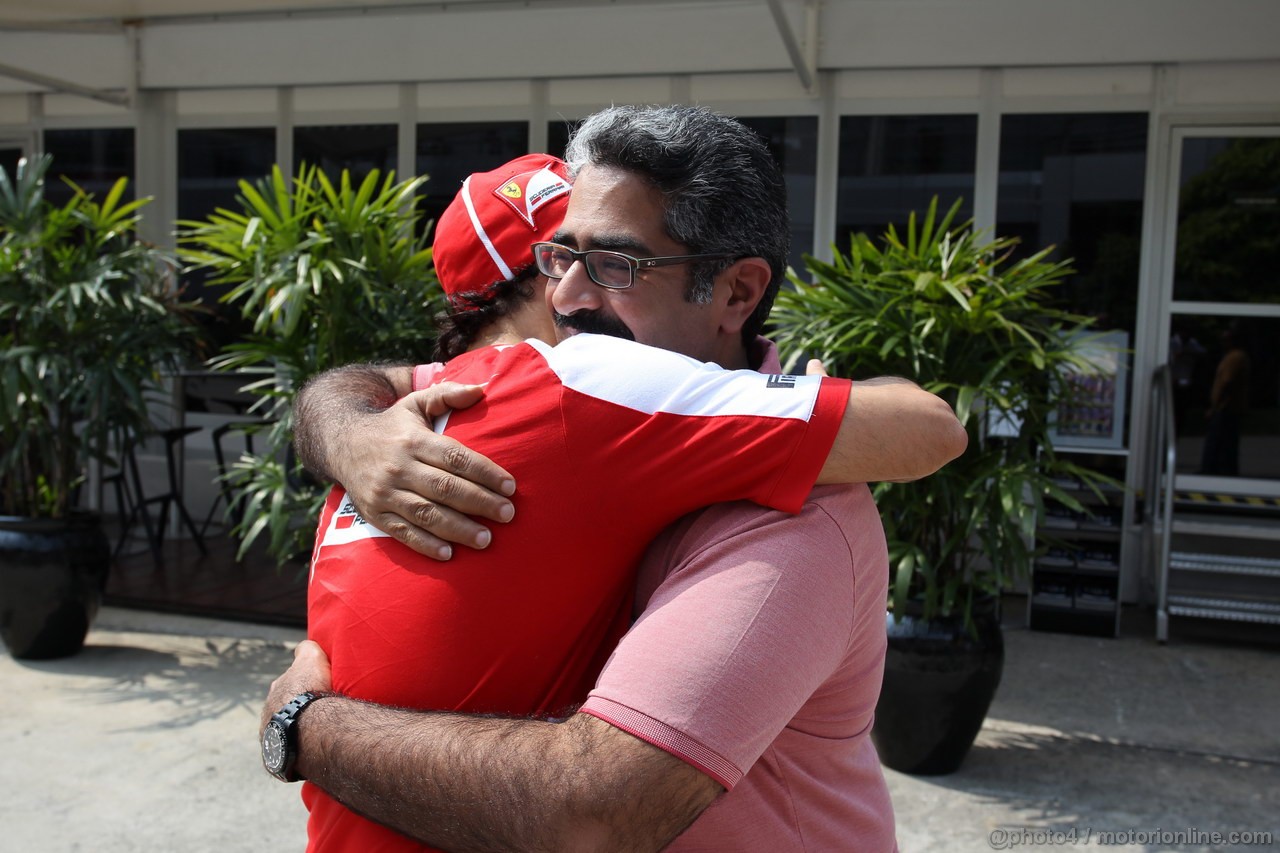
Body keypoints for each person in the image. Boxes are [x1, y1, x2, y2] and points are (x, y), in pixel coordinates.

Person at [265, 105, 967, 852]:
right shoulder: (569, 386)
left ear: (736, 293)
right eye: (561, 258)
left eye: (615, 265)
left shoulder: (792, 513)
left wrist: (302, 725)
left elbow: (594, 814)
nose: (565, 300)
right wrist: (355, 434)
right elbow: (365, 382)